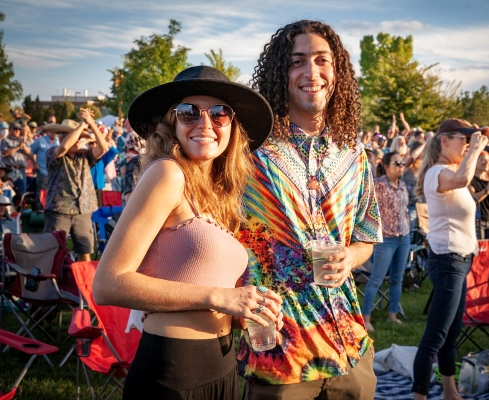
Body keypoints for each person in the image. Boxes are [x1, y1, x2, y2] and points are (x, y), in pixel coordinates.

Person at [92, 66, 282, 400]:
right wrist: (221, 297)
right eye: (188, 112)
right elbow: (108, 284)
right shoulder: (168, 174)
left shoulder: (218, 195)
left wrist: (244, 311)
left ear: (233, 126)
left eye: (220, 114)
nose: (205, 124)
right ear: (172, 122)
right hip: (174, 372)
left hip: (222, 366)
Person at [237, 20, 382, 400]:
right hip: (281, 353)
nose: (311, 72)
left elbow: (367, 235)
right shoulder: (248, 152)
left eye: (322, 60)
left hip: (349, 347)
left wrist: (350, 256)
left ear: (337, 72)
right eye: (297, 61)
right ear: (281, 73)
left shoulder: (353, 154)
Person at [412, 118, 489, 399]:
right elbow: (462, 179)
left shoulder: (451, 170)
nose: (467, 145)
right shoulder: (438, 172)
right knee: (435, 335)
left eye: (469, 141)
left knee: (451, 333)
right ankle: (419, 395)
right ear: (445, 141)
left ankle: (449, 391)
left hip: (460, 260)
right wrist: (476, 149)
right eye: (463, 140)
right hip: (448, 260)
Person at [43, 111, 109, 261]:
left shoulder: (85, 155)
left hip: (83, 210)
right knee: (53, 252)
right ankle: (52, 283)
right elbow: (65, 146)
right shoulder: (52, 153)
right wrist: (81, 125)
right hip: (59, 211)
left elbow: (104, 147)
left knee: (85, 251)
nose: (79, 142)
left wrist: (91, 123)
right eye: (77, 138)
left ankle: (83, 284)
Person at [362, 151, 410, 331]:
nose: (400, 166)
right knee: (376, 279)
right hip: (385, 239)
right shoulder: (378, 185)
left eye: (402, 163)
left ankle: (393, 314)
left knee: (397, 279)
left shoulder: (403, 185)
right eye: (397, 163)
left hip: (403, 237)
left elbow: (404, 210)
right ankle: (365, 319)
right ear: (387, 166)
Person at [30, 126, 59, 210]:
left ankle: (51, 210)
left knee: (53, 192)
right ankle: (39, 211)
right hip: (42, 171)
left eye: (56, 131)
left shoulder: (59, 142)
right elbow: (31, 153)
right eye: (52, 131)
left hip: (55, 173)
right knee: (41, 192)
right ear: (47, 131)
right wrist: (35, 164)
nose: (54, 133)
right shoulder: (39, 140)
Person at [1, 123, 30, 196]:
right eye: (15, 129)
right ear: (10, 129)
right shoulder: (5, 140)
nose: (17, 131)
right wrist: (18, 147)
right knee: (9, 191)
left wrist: (23, 145)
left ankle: (20, 207)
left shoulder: (22, 140)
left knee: (22, 192)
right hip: (10, 170)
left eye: (19, 129)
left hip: (21, 170)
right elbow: (5, 153)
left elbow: (29, 152)